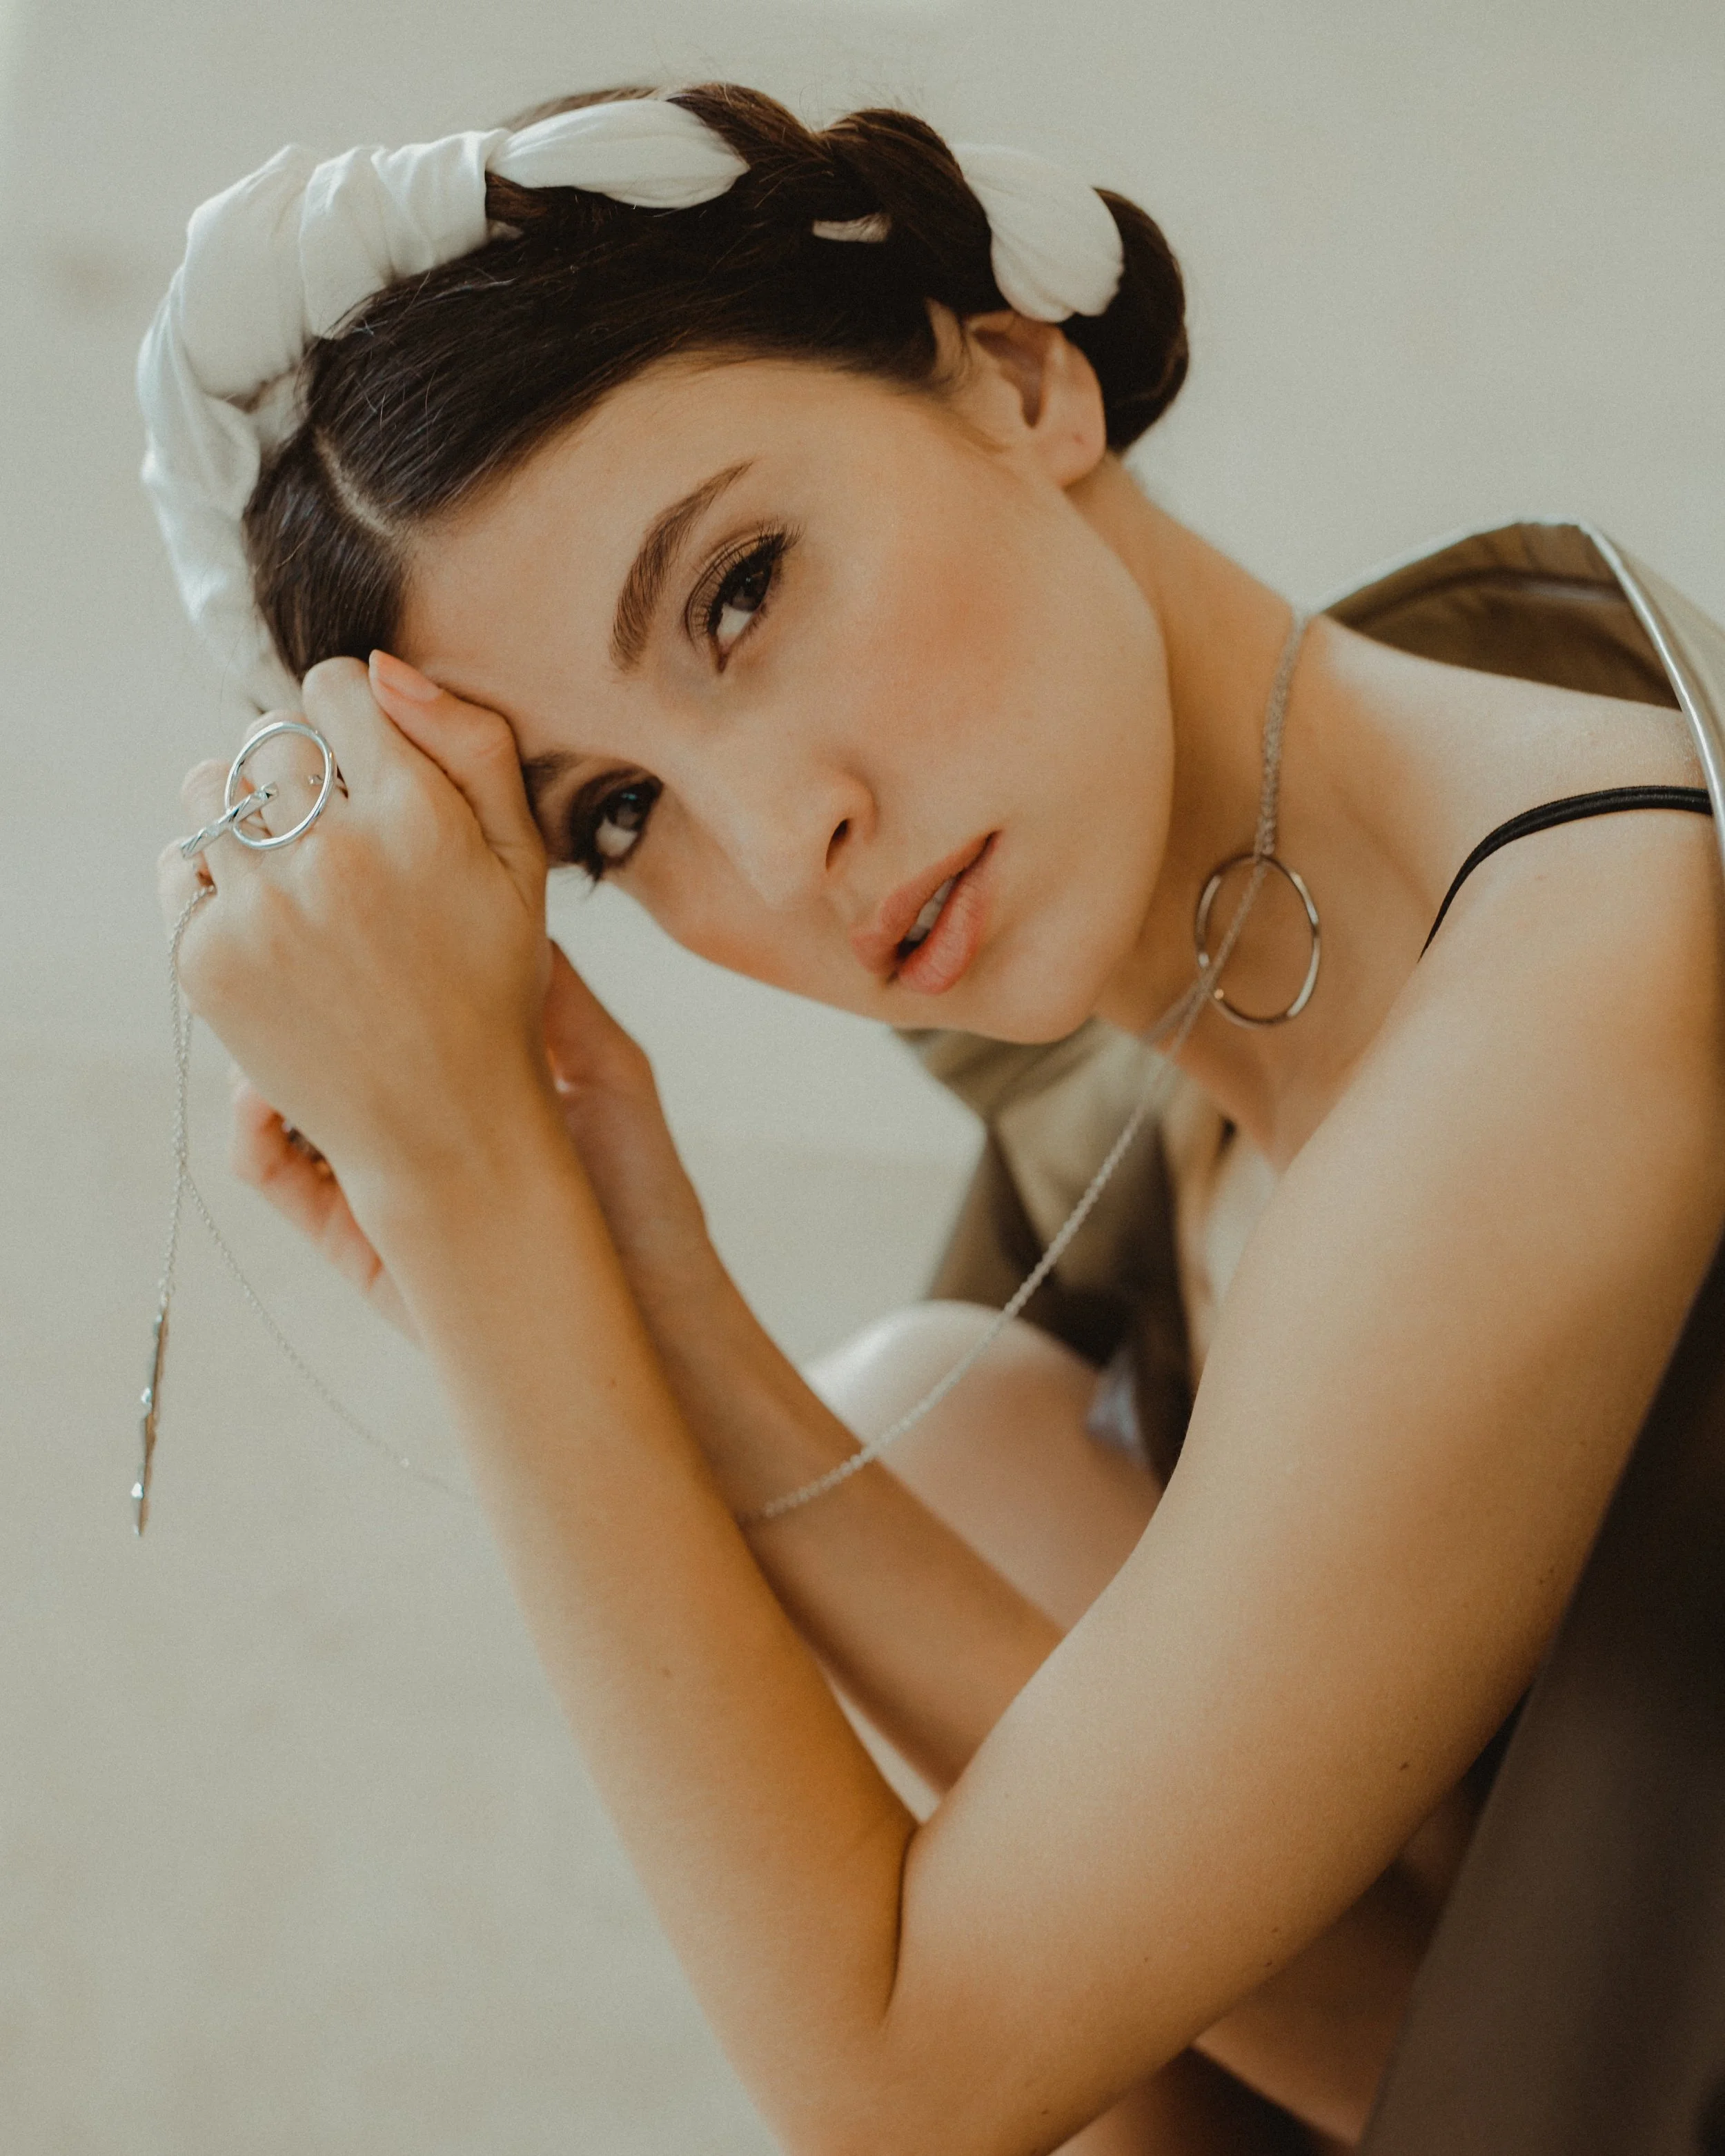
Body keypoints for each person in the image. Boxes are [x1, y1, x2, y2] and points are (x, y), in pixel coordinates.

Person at [142, 83, 1725, 2154]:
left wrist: (474, 1185)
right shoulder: (1183, 1146)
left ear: (1015, 378)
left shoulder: (1577, 971)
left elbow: (901, 2069)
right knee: (940, 1408)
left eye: (735, 589)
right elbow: (1411, 2047)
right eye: (611, 818)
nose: (777, 837)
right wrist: (649, 1292)